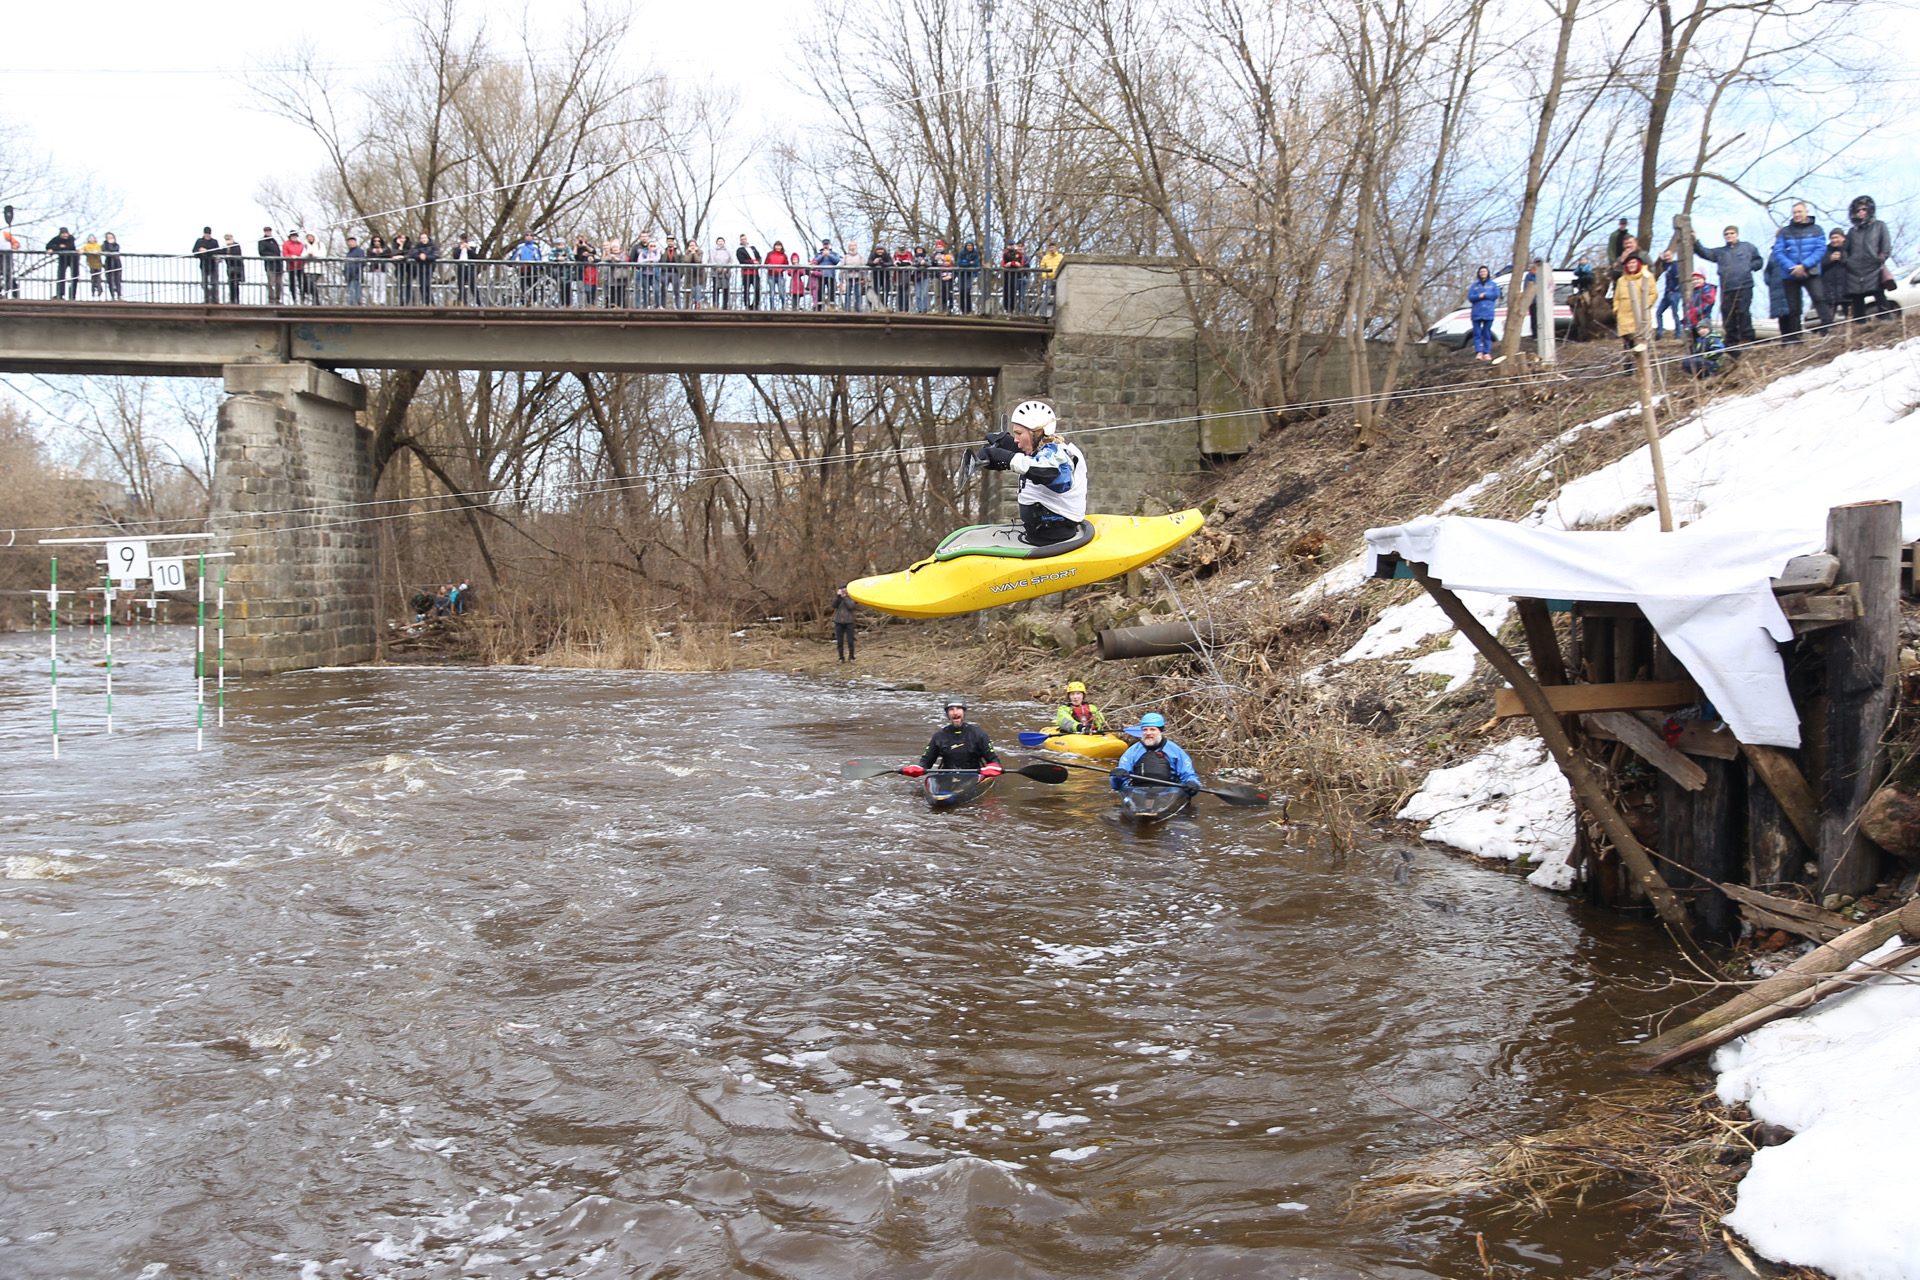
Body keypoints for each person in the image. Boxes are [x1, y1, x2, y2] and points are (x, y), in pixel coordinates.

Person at [977, 398, 1088, 545]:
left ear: (1037, 433)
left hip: (1054, 539)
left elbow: (1052, 473)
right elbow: (1036, 458)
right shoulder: (1043, 452)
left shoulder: (1060, 455)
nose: (1016, 440)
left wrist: (1009, 458)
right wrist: (1009, 446)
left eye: (1019, 434)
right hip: (1036, 535)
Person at [1692, 224, 1762, 345]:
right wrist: (1695, 241)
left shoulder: (1748, 247)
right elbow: (1705, 253)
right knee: (1728, 313)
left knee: (1743, 312)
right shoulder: (1721, 252)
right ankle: (1732, 340)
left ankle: (1746, 338)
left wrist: (1749, 267)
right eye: (1726, 234)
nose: (1729, 236)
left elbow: (1759, 261)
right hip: (1727, 287)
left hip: (1744, 284)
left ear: (1737, 235)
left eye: (1731, 233)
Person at [901, 697, 1001, 778]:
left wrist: (993, 766)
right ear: (947, 714)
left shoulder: (978, 734)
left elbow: (993, 759)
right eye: (951, 709)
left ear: (964, 712)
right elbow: (926, 762)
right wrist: (918, 768)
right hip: (947, 776)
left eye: (958, 709)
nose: (955, 712)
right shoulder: (939, 736)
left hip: (974, 775)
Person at [1772, 201, 1825, 344]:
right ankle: (1796, 337)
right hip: (1790, 274)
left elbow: (1820, 250)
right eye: (1794, 212)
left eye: (1799, 212)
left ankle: (1828, 329)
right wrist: (1793, 268)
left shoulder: (1817, 229)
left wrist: (1804, 266)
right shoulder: (1785, 231)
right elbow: (1778, 252)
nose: (1797, 215)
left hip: (1810, 271)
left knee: (1819, 299)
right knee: (1794, 308)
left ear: (1806, 212)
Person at [1109, 713, 1201, 796]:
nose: (1148, 733)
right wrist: (1117, 776)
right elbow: (1116, 786)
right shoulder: (1132, 752)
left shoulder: (1175, 751)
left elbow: (1188, 774)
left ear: (1160, 731)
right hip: (1138, 793)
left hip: (1169, 792)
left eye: (1152, 729)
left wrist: (1192, 783)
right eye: (1145, 730)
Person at [1841, 194, 1892, 323]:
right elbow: (1844, 249)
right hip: (1854, 270)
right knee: (1857, 299)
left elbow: (1886, 247)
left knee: (1879, 294)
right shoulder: (1852, 231)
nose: (1861, 212)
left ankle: (1887, 321)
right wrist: (1847, 262)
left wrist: (1879, 259)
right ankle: (1860, 325)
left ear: (1870, 210)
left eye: (1864, 209)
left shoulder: (1880, 226)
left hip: (1873, 267)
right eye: (1858, 210)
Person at [1612, 252, 1656, 372]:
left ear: (1639, 263)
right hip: (1624, 315)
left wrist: (1646, 306)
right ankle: (1628, 368)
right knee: (1627, 344)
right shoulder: (1621, 280)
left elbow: (1653, 293)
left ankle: (1644, 367)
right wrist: (1617, 309)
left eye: (1633, 262)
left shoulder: (1647, 276)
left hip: (1641, 315)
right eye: (1629, 263)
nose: (1631, 265)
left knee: (1641, 341)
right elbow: (1616, 297)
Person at [1814, 226, 1847, 331]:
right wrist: (1830, 259)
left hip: (1846, 288)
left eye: (1837, 237)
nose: (1834, 240)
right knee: (1827, 321)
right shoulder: (1825, 251)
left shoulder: (1848, 249)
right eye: (1832, 238)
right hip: (1829, 289)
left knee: (1851, 317)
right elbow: (1818, 267)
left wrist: (1843, 258)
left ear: (1843, 238)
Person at [1466, 266, 1499, 360]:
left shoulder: (1493, 285)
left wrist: (1486, 294)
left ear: (1488, 273)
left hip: (1488, 312)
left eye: (1484, 271)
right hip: (1476, 312)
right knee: (1477, 333)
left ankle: (1487, 353)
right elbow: (1470, 297)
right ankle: (1479, 352)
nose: (1483, 273)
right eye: (1481, 272)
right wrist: (1479, 296)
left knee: (1487, 333)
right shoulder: (1474, 286)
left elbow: (1496, 295)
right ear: (1478, 273)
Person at [1652, 250, 1682, 339]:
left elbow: (1677, 279)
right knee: (1658, 312)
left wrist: (1674, 289)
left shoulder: (1675, 265)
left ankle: (1678, 333)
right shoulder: (1666, 265)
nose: (1667, 257)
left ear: (1673, 255)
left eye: (1668, 255)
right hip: (1667, 294)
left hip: (1675, 293)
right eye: (1666, 256)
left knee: (1675, 313)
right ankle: (1660, 332)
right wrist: (1661, 259)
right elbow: (1664, 265)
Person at [513, 231, 544, 303]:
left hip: (532, 267)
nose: (529, 237)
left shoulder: (535, 246)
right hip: (522, 267)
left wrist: (539, 266)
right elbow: (515, 254)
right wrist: (512, 262)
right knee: (523, 284)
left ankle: (532, 300)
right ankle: (524, 300)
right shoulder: (520, 245)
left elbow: (538, 257)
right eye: (527, 235)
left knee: (532, 285)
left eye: (531, 235)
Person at [192, 226, 220, 303]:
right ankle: (206, 299)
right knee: (204, 283)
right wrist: (200, 251)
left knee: (213, 283)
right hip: (204, 265)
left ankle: (214, 299)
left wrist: (206, 251)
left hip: (213, 265)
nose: (207, 235)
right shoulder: (200, 241)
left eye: (208, 233)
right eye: (206, 233)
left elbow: (218, 251)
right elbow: (194, 251)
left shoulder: (214, 242)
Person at [258, 227, 284, 304]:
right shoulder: (262, 241)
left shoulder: (274, 241)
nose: (268, 232)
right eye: (267, 231)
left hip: (278, 265)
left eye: (269, 231)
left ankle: (277, 299)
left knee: (279, 283)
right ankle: (271, 299)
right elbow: (262, 252)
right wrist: (273, 256)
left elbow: (278, 252)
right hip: (270, 265)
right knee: (271, 282)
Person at [283, 230, 310, 303]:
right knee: (292, 283)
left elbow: (304, 253)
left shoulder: (300, 244)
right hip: (291, 266)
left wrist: (302, 259)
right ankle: (294, 298)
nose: (294, 237)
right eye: (293, 236)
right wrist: (291, 257)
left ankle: (303, 297)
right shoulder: (286, 244)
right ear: (290, 237)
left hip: (300, 265)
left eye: (295, 236)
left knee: (303, 281)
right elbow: (285, 254)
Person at [832, 584, 857, 662]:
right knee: (840, 641)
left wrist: (845, 597)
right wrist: (837, 596)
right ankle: (841, 657)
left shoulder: (850, 597)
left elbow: (851, 606)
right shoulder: (838, 598)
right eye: (841, 589)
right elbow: (833, 605)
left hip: (849, 622)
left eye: (844, 589)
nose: (843, 591)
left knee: (850, 641)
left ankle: (851, 657)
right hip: (839, 622)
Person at [1037, 242, 1063, 315]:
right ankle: (1042, 313)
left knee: (1056, 297)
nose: (1052, 249)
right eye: (1050, 248)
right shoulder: (1046, 257)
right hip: (1049, 279)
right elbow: (1042, 267)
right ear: (1048, 249)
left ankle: (1054, 314)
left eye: (1053, 248)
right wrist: (1045, 276)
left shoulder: (1060, 256)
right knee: (1046, 296)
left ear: (1056, 248)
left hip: (1058, 279)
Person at [413, 233, 439, 305]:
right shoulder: (417, 246)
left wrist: (426, 257)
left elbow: (435, 255)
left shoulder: (433, 246)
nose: (423, 239)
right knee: (422, 285)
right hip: (420, 268)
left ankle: (430, 301)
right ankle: (425, 301)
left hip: (429, 268)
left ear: (427, 238)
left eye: (425, 238)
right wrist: (419, 256)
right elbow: (414, 254)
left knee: (427, 284)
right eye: (422, 238)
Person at [736, 234, 761, 310]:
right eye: (742, 239)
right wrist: (753, 263)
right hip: (746, 272)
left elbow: (759, 257)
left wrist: (758, 262)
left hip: (755, 272)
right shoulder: (740, 250)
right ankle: (747, 304)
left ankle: (755, 304)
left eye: (745, 239)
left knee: (757, 288)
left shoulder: (753, 248)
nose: (744, 240)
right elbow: (742, 261)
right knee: (746, 289)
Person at [366, 234, 392, 305]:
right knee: (373, 287)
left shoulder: (386, 249)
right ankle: (374, 301)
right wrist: (373, 251)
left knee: (382, 287)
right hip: (373, 270)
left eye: (378, 241)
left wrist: (382, 251)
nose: (377, 242)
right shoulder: (370, 249)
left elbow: (389, 255)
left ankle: (382, 301)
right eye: (375, 241)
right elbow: (368, 256)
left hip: (383, 270)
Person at [957, 239, 980, 313]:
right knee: (962, 291)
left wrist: (967, 263)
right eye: (968, 245)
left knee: (967, 290)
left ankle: (968, 310)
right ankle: (962, 309)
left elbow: (976, 263)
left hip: (970, 274)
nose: (969, 247)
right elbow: (960, 263)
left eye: (971, 245)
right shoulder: (962, 252)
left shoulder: (976, 253)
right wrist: (969, 263)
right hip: (962, 274)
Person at [221, 233, 245, 303]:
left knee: (236, 284)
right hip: (230, 267)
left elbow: (236, 253)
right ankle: (232, 299)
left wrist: (230, 247)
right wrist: (226, 247)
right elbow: (222, 253)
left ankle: (236, 300)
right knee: (231, 283)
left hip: (237, 266)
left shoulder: (236, 245)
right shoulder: (226, 247)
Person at [342, 236, 366, 305]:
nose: (351, 243)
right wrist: (345, 272)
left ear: (355, 242)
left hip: (356, 275)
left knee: (355, 292)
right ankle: (353, 305)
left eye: (352, 242)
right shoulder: (349, 253)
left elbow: (363, 262)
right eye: (349, 242)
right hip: (349, 276)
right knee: (351, 292)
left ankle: (355, 305)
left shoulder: (359, 251)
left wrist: (355, 269)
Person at [843, 241, 864, 311]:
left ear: (856, 246)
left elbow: (863, 266)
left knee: (858, 294)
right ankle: (847, 309)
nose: (852, 247)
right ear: (849, 247)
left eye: (854, 245)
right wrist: (841, 279)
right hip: (848, 278)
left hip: (858, 277)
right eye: (851, 246)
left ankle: (859, 308)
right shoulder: (846, 257)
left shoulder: (860, 256)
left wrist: (864, 277)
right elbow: (841, 267)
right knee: (847, 294)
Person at [82, 233, 105, 298]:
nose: (91, 239)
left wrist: (97, 251)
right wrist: (81, 251)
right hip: (91, 264)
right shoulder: (86, 246)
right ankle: (93, 291)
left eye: (93, 238)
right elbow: (81, 249)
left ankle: (99, 290)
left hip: (98, 264)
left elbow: (100, 250)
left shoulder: (97, 245)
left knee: (98, 277)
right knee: (93, 278)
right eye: (90, 238)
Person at [101, 232, 122, 299]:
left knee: (117, 280)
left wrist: (111, 245)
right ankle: (112, 295)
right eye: (108, 237)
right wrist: (109, 244)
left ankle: (119, 295)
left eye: (111, 237)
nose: (110, 239)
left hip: (117, 263)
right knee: (110, 280)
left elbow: (115, 250)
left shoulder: (116, 245)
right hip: (109, 263)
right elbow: (107, 250)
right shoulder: (104, 244)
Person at [712, 236, 732, 309]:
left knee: (725, 289)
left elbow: (730, 260)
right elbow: (712, 260)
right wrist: (717, 268)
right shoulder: (713, 251)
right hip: (716, 273)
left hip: (726, 274)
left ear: (724, 242)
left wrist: (727, 268)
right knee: (715, 289)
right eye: (719, 241)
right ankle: (715, 305)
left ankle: (725, 306)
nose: (720, 243)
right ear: (717, 243)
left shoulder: (728, 251)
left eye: (721, 241)